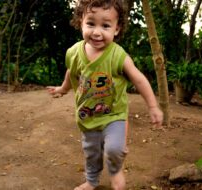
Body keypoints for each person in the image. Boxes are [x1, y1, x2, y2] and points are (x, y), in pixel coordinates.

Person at [46, 0, 163, 189]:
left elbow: (139, 79)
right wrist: (63, 88)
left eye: (105, 25)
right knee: (92, 153)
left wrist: (153, 106)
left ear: (116, 29)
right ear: (81, 22)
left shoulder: (118, 56)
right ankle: (91, 181)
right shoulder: (74, 52)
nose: (97, 32)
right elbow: (72, 72)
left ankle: (115, 170)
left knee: (114, 149)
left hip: (114, 115)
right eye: (91, 23)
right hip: (88, 116)